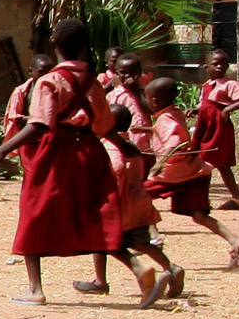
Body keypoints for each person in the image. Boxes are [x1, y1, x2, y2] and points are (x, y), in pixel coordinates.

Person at [0, 18, 126, 306]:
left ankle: (35, 289)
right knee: (97, 211)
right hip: (88, 149)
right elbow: (105, 124)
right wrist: (126, 147)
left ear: (54, 44)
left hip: (55, 151)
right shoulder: (93, 81)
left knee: (34, 211)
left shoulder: (50, 81)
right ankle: (119, 273)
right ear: (83, 46)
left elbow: (40, 124)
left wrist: (1, 149)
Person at [73, 104, 182, 304]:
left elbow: (116, 168)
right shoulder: (132, 146)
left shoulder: (110, 146)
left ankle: (130, 274)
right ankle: (171, 268)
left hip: (118, 206)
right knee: (141, 242)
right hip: (137, 204)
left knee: (104, 241)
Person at [142, 77, 239, 267]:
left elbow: (174, 142)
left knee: (137, 195)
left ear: (154, 101)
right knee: (199, 215)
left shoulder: (166, 119)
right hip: (195, 173)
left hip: (173, 174)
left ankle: (153, 238)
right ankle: (236, 241)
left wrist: (162, 161)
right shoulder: (174, 113)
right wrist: (149, 129)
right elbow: (171, 130)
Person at [189, 49, 239, 210]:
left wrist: (227, 110)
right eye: (215, 64)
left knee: (216, 162)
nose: (219, 67)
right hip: (206, 127)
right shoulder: (207, 85)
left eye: (223, 64)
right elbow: (206, 105)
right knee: (205, 160)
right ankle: (208, 198)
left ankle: (232, 199)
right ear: (206, 67)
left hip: (218, 127)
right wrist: (196, 110)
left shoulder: (229, 84)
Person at [2, 54, 54, 166]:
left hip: (50, 140)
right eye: (42, 72)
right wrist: (38, 119)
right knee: (31, 172)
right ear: (31, 71)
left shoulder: (55, 90)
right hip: (29, 140)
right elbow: (16, 118)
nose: (46, 76)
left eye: (50, 72)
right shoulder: (22, 92)